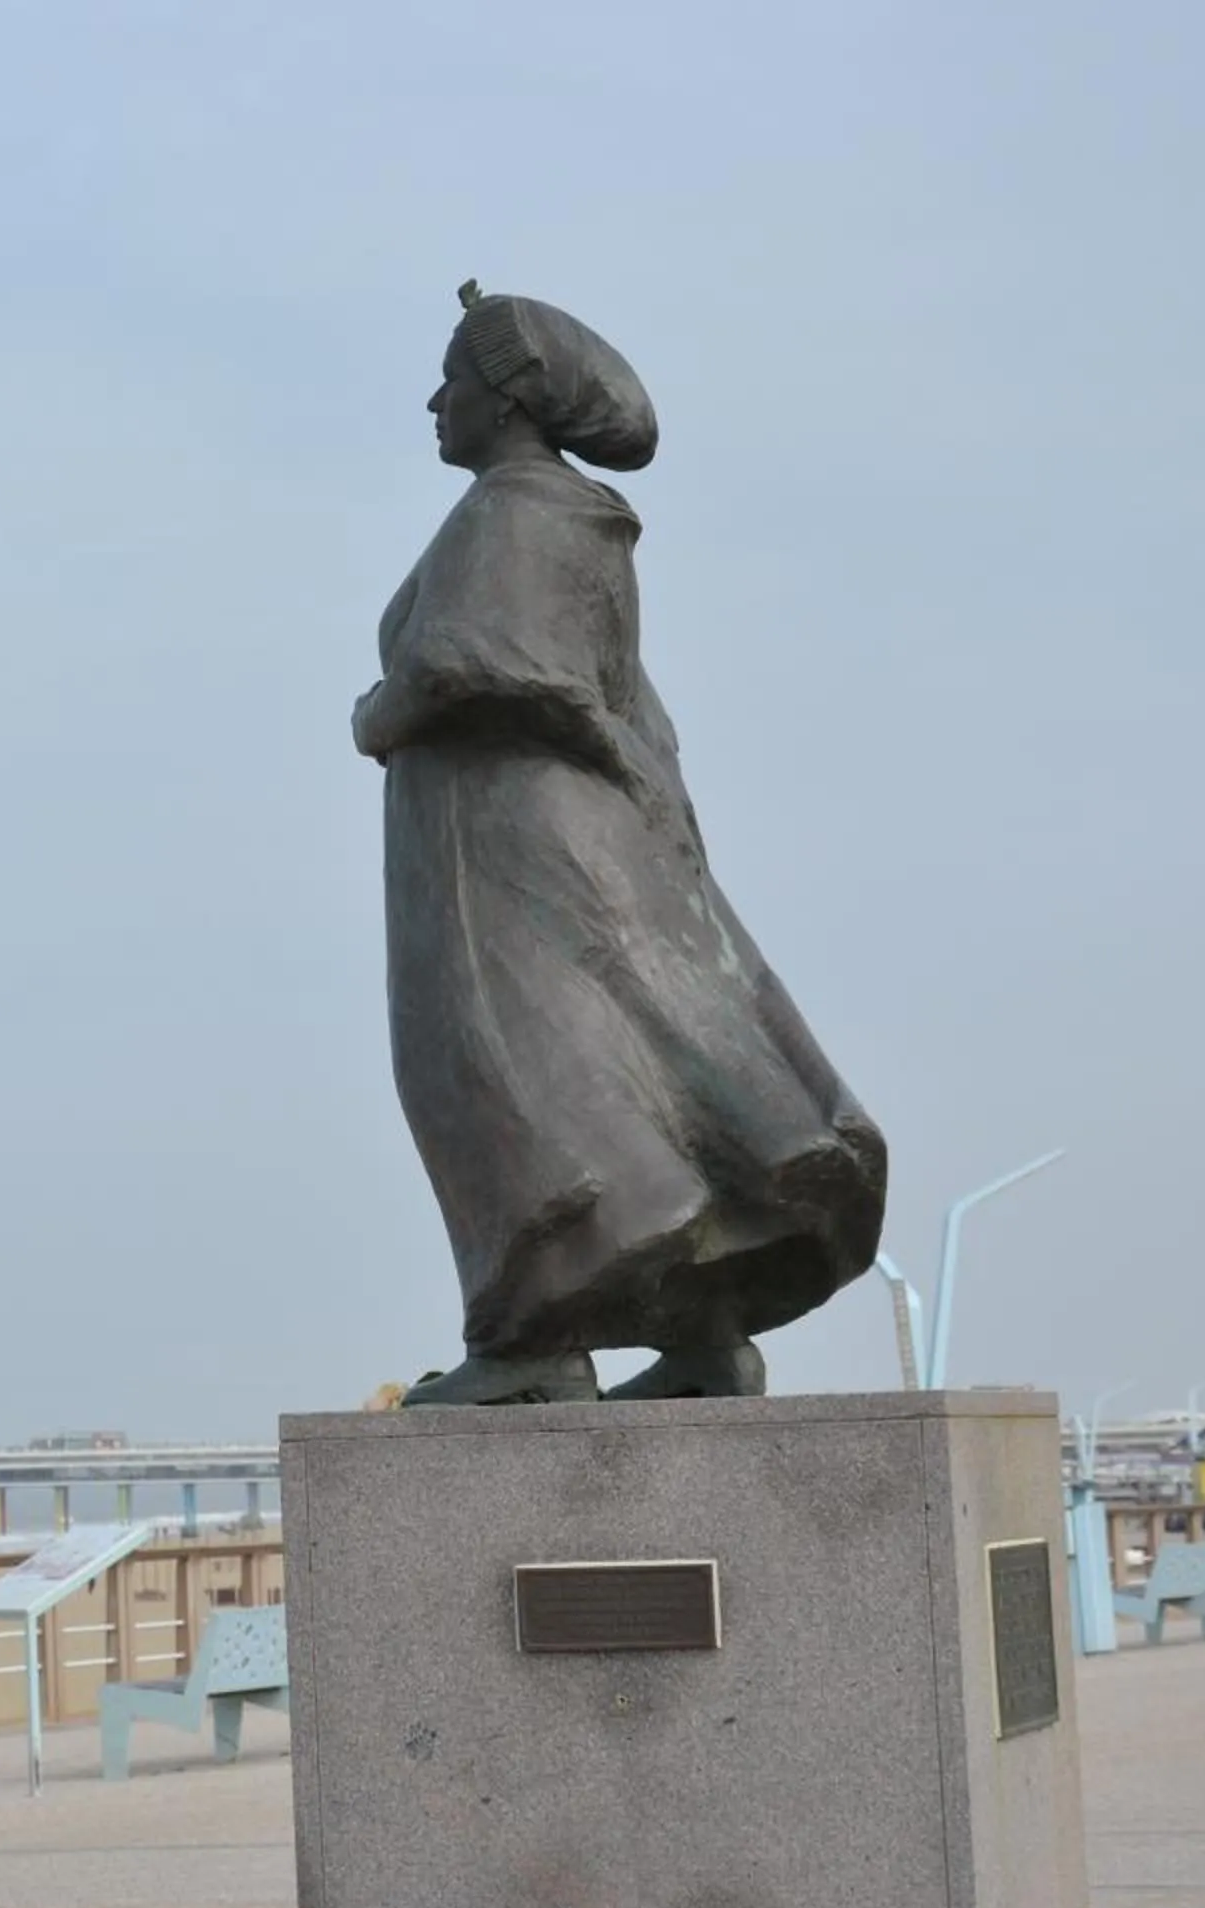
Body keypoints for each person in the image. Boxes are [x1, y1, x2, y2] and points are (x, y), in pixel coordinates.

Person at [360, 283, 886, 1403]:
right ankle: (698, 1328)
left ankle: (529, 1347)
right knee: (606, 1056)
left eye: (451, 378)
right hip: (546, 832)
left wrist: (378, 712)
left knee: (507, 1070)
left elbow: (479, 661)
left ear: (502, 400)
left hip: (509, 852)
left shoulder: (515, 510)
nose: (432, 401)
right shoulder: (557, 512)